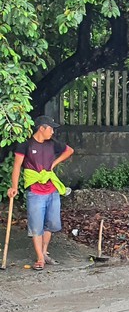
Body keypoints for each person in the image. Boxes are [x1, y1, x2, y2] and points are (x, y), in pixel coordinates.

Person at [7, 115, 74, 271]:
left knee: (50, 224)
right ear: (42, 128)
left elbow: (69, 150)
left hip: (52, 190)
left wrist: (54, 164)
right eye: (50, 128)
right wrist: (14, 186)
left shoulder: (52, 144)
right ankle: (39, 258)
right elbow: (17, 166)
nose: (52, 132)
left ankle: (44, 252)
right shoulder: (25, 145)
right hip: (35, 192)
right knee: (36, 225)